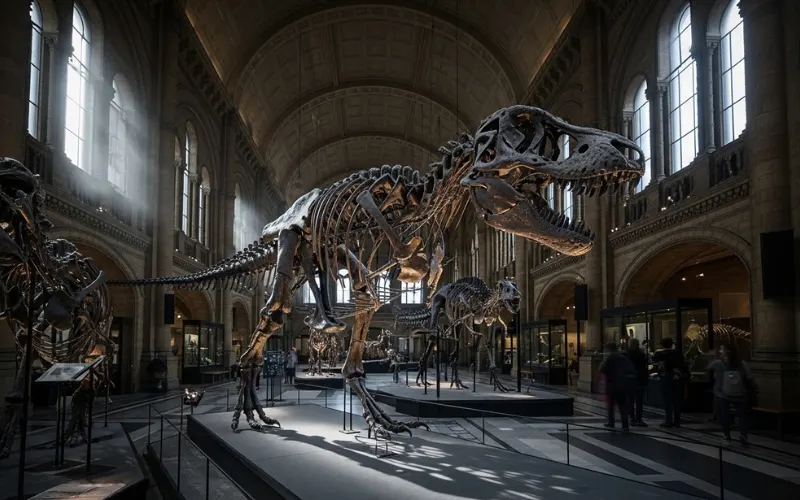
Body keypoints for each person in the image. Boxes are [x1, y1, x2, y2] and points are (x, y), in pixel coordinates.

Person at [707, 344, 757, 444]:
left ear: (727, 351)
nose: (720, 351)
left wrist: (713, 356)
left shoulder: (717, 363)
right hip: (740, 393)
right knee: (743, 415)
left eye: (721, 349)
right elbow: (749, 377)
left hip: (723, 394)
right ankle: (743, 434)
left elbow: (708, 368)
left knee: (724, 416)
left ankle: (727, 435)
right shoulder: (741, 363)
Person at [599, 342, 637, 431]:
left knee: (611, 405)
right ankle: (625, 424)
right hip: (623, 384)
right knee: (622, 405)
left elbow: (603, 369)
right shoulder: (623, 357)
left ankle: (611, 422)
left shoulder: (609, 358)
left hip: (612, 384)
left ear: (608, 349)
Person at [652, 338, 689, 428]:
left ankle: (668, 420)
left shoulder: (659, 354)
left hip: (666, 379)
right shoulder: (678, 353)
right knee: (677, 400)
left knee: (667, 401)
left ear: (662, 345)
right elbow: (684, 366)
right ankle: (677, 421)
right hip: (677, 379)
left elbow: (656, 365)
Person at [625, 338, 649, 427]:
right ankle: (639, 419)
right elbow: (645, 366)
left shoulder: (626, 354)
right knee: (639, 401)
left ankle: (632, 418)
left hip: (630, 380)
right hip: (640, 380)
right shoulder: (641, 354)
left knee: (630, 401)